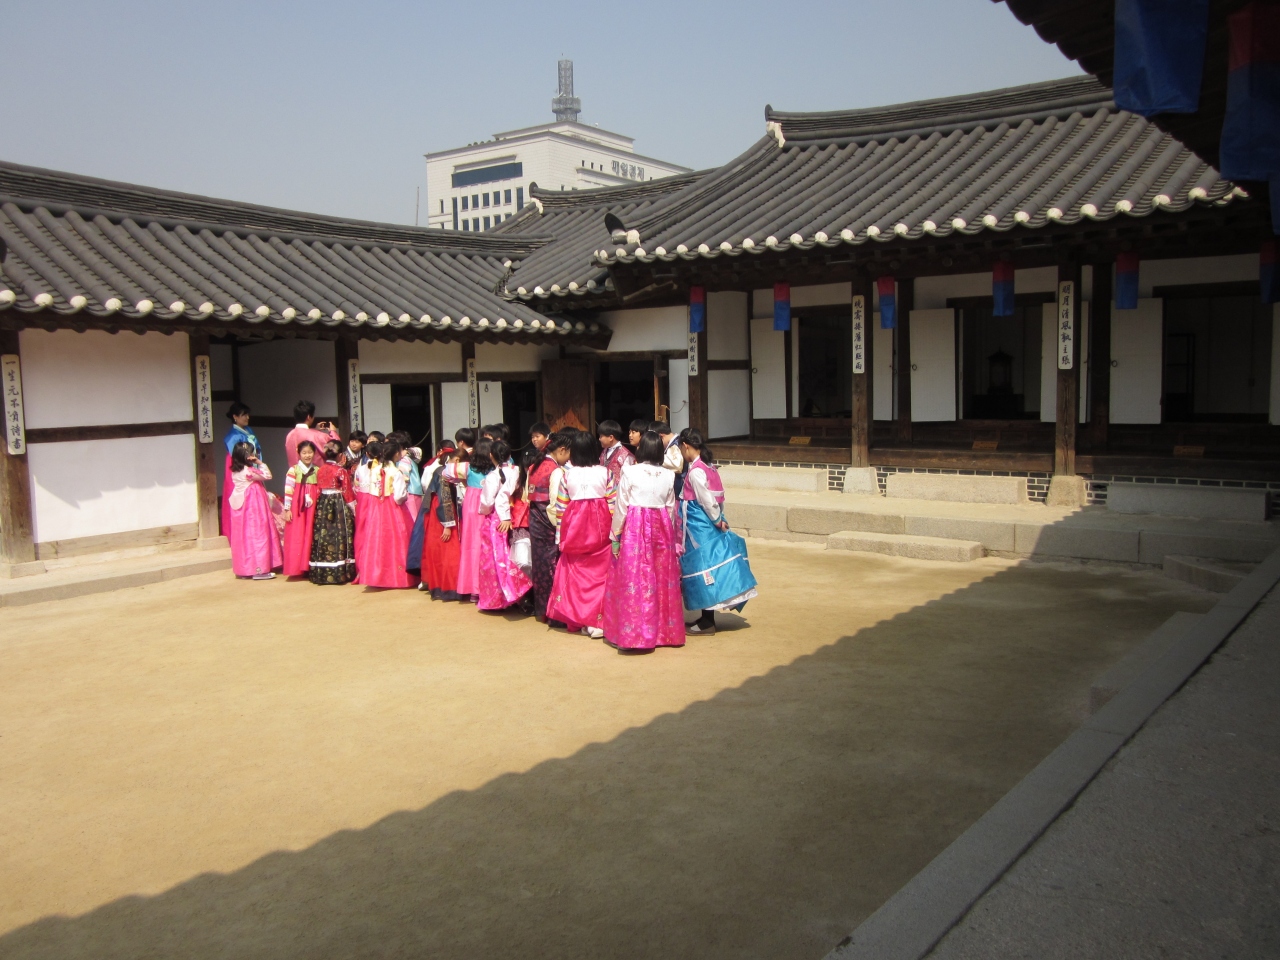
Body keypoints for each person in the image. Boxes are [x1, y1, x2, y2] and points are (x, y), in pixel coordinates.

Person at [603, 431, 685, 651]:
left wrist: (615, 536)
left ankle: (634, 634)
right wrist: (670, 537)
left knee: (635, 578)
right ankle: (664, 633)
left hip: (635, 527)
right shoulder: (668, 475)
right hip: (661, 528)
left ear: (641, 450)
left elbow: (622, 506)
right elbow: (670, 509)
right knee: (660, 578)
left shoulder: (630, 471)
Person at [677, 429, 757, 635]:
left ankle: (707, 622)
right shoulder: (709, 466)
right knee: (711, 567)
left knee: (704, 568)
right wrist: (719, 518)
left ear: (686, 446)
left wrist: (717, 520)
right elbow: (718, 497)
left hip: (699, 525)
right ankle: (706, 618)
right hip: (708, 522)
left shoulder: (696, 471)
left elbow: (706, 500)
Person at [545, 431, 615, 639]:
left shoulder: (567, 475)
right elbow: (613, 504)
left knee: (576, 573)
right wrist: (616, 533)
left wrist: (560, 537)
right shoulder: (605, 472)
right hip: (601, 528)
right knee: (601, 574)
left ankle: (580, 618)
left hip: (575, 529)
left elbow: (561, 508)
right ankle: (597, 620)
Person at [476, 439, 532, 611]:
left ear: (491, 455)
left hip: (498, 519)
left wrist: (487, 512)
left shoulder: (493, 476)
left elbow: (487, 502)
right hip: (519, 517)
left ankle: (500, 598)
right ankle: (520, 594)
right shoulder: (516, 471)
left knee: (496, 559)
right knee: (513, 557)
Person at [353, 440, 416, 588]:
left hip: (376, 508)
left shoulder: (374, 470)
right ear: (396, 454)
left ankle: (377, 576)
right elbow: (399, 496)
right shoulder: (396, 472)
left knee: (376, 540)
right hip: (393, 509)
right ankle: (398, 577)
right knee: (397, 540)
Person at [526, 429, 568, 622]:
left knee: (540, 565)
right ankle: (555, 612)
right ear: (561, 450)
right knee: (553, 566)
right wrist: (560, 526)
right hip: (548, 520)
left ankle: (541, 609)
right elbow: (554, 503)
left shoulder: (534, 465)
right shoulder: (556, 470)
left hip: (535, 518)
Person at [227, 440, 282, 580]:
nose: (253, 455)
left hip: (240, 507)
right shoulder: (249, 472)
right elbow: (268, 475)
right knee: (258, 534)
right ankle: (260, 569)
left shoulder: (235, 472)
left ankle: (244, 569)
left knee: (243, 537)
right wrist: (260, 462)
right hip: (253, 507)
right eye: (251, 453)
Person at [416, 440, 462, 600]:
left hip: (434, 512)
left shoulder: (438, 470)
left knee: (435, 551)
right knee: (449, 551)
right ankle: (450, 586)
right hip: (442, 514)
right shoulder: (445, 474)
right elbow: (445, 499)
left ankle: (437, 585)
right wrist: (448, 524)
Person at [448, 436, 491, 602]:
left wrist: (464, 482)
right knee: (487, 545)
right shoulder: (494, 468)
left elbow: (446, 472)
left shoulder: (467, 467)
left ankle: (472, 588)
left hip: (471, 504)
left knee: (471, 544)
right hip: (489, 505)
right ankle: (486, 586)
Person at [309, 440, 357, 585]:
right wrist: (354, 509)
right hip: (338, 503)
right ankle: (342, 572)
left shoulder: (320, 470)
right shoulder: (340, 471)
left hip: (323, 503)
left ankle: (321, 572)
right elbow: (347, 492)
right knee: (341, 534)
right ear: (340, 455)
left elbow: (318, 489)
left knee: (323, 535)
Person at [221, 402, 261, 537]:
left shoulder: (249, 430)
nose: (247, 417)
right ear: (235, 417)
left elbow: (257, 448)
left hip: (251, 464)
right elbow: (237, 454)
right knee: (239, 495)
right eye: (244, 415)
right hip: (237, 466)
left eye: (247, 414)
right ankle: (236, 532)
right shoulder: (232, 436)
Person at [281, 440, 320, 577]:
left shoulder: (317, 470)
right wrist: (287, 509)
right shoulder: (293, 470)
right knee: (297, 534)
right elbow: (288, 490)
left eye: (310, 452)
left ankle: (309, 566)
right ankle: (296, 567)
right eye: (304, 453)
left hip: (313, 506)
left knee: (310, 532)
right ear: (299, 453)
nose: (307, 455)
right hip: (297, 507)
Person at [284, 401, 339, 468]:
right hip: (314, 473)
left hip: (294, 473)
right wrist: (333, 432)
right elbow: (336, 448)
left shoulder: (289, 435)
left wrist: (315, 430)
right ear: (309, 417)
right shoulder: (316, 436)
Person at [598, 419, 636, 488]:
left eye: (601, 436)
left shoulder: (626, 455)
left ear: (611, 437)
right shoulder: (604, 451)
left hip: (618, 492)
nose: (599, 439)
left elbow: (628, 478)